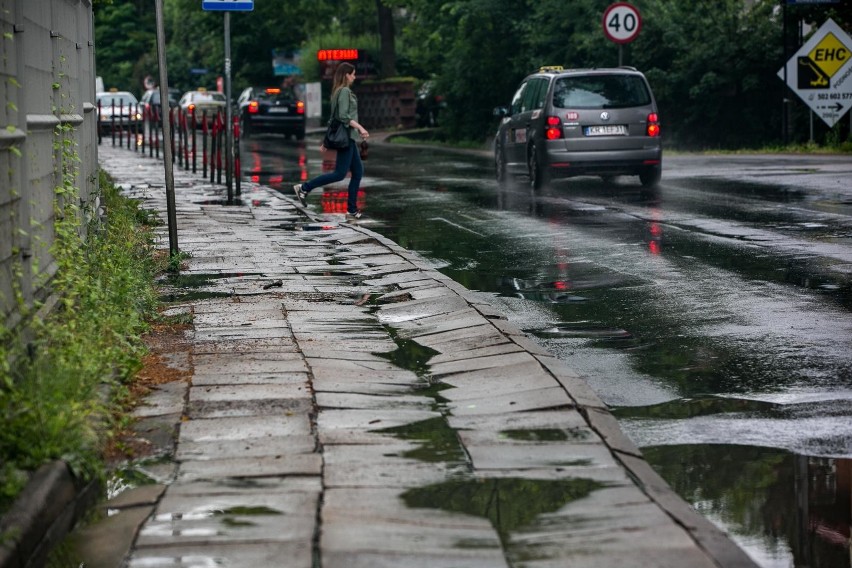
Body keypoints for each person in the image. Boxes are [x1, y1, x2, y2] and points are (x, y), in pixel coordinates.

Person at [293, 62, 369, 220]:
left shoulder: (339, 91)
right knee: (340, 174)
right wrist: (360, 128)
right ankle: (304, 187)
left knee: (358, 172)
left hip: (349, 138)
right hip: (346, 138)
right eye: (353, 73)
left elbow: (333, 118)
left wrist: (327, 141)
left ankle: (352, 210)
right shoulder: (344, 91)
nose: (354, 76)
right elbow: (342, 116)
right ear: (346, 75)